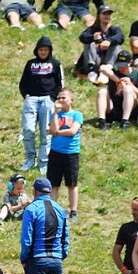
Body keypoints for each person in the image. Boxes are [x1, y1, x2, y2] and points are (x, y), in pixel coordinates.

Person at [19, 36, 63, 173]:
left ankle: (43, 162)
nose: (43, 52)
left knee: (46, 132)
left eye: (45, 50)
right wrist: (26, 96)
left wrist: (53, 98)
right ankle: (29, 159)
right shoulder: (30, 63)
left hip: (47, 100)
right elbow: (23, 82)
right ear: (36, 50)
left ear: (49, 51)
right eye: (41, 49)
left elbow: (59, 83)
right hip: (31, 99)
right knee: (28, 130)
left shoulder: (55, 64)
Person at [20, 178, 70, 274]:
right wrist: (62, 255)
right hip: (56, 260)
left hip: (37, 260)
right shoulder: (60, 209)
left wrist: (24, 258)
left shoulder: (31, 209)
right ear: (50, 191)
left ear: (35, 191)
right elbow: (66, 237)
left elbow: (26, 240)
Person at [47, 88, 83, 218]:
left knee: (72, 183)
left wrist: (57, 133)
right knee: (53, 183)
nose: (60, 100)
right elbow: (52, 129)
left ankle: (73, 211)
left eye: (64, 98)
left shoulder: (76, 115)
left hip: (71, 153)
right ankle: (51, 210)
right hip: (55, 152)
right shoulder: (56, 115)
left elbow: (72, 131)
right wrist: (55, 114)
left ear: (71, 100)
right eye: (59, 98)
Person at [78, 7, 124, 84]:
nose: (107, 16)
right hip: (95, 59)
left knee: (117, 45)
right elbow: (82, 37)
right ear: (99, 16)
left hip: (109, 60)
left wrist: (109, 41)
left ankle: (106, 71)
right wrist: (93, 37)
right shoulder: (93, 29)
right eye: (104, 14)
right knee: (89, 43)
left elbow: (121, 37)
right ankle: (91, 71)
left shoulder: (115, 29)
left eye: (109, 14)